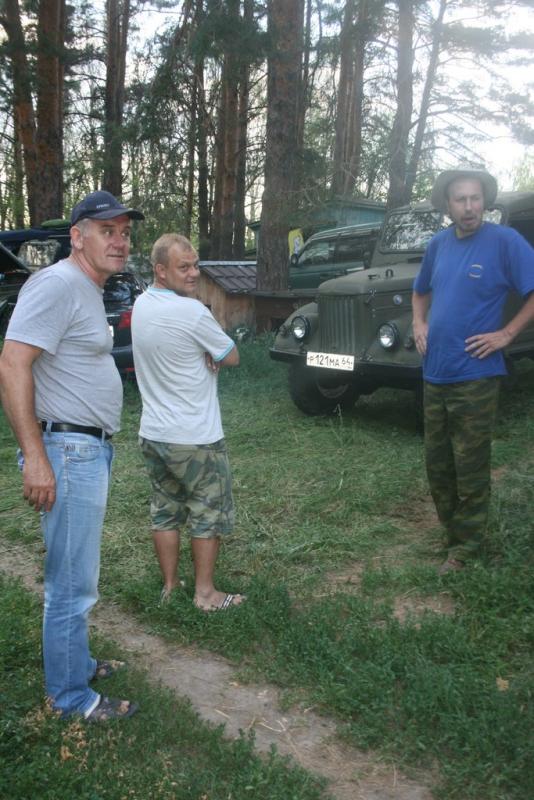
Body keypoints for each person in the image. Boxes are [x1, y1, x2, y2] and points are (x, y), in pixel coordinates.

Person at [0, 190, 144, 721]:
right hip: (67, 452)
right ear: (78, 237)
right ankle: (71, 699)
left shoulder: (85, 288)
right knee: (71, 584)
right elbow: (12, 363)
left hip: (85, 449)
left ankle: (76, 663)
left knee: (78, 573)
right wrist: (35, 457)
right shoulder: (57, 284)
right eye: (107, 231)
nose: (120, 241)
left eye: (124, 232)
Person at [412, 167, 534, 574]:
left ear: (485, 201)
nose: (469, 207)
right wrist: (419, 323)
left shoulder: (505, 242)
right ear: (448, 205)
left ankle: (466, 549)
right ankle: (453, 532)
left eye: (475, 198)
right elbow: (420, 291)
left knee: (471, 463)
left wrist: (507, 334)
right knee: (438, 463)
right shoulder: (438, 244)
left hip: (476, 375)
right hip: (436, 372)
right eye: (461, 199)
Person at [131, 233, 244, 611]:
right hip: (195, 437)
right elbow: (231, 356)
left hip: (154, 434)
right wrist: (211, 350)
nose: (194, 273)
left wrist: (204, 350)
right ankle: (206, 594)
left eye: (195, 265)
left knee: (164, 511)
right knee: (207, 511)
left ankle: (170, 587)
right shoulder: (192, 312)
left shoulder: (141, 304)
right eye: (184, 267)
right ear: (161, 270)